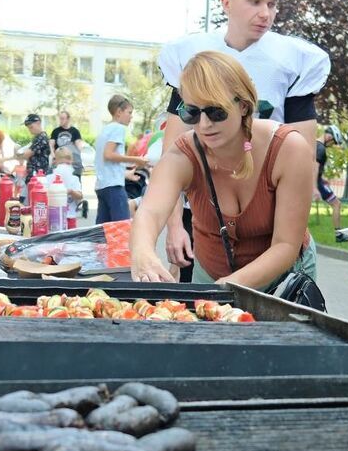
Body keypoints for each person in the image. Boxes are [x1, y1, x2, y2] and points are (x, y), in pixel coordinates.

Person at [158, 0, 330, 274]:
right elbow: (172, 148)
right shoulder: (191, 55)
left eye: (272, 3)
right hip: (206, 206)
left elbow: (304, 153)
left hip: (267, 210)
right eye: (254, 2)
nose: (265, 13)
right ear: (226, 2)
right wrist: (173, 226)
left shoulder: (293, 59)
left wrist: (294, 219)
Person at [130, 51, 315, 289]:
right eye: (192, 112)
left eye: (216, 112)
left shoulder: (289, 149)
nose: (204, 124)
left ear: (244, 107)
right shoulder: (183, 155)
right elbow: (150, 213)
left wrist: (224, 288)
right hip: (211, 276)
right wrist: (143, 253)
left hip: (283, 280)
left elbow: (285, 246)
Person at [95, 95, 148, 223]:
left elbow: (105, 161)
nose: (131, 116)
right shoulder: (118, 128)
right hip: (114, 187)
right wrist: (137, 160)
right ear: (119, 112)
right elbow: (108, 155)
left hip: (102, 186)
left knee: (102, 231)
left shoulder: (104, 130)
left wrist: (125, 174)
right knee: (122, 228)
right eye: (129, 112)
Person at [315, 126, 344, 241]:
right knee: (337, 204)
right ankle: (339, 235)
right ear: (329, 137)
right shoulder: (321, 148)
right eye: (333, 142)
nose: (332, 145)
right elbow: (314, 167)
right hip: (316, 183)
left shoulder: (315, 144)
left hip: (317, 181)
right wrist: (314, 188)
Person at [50, 146, 84, 230]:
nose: (64, 167)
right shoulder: (50, 178)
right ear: (56, 162)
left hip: (70, 216)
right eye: (62, 164)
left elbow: (80, 196)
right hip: (54, 217)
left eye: (67, 163)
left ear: (71, 162)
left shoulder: (74, 179)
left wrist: (71, 192)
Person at [50, 109, 84, 176]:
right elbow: (51, 145)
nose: (61, 120)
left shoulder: (75, 131)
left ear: (68, 119)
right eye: (60, 118)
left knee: (74, 181)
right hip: (59, 162)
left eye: (63, 118)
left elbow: (79, 146)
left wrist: (76, 159)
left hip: (71, 162)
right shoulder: (55, 131)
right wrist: (53, 156)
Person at [20, 113, 50, 181]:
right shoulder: (37, 138)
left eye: (31, 127)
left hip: (37, 178)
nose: (30, 130)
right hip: (33, 177)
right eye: (28, 128)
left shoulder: (41, 138)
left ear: (38, 123)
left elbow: (26, 154)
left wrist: (7, 158)